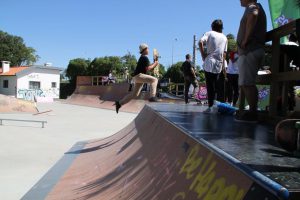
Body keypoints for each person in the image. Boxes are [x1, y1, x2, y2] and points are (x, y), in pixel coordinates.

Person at [236, 0, 266, 122]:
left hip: (249, 50)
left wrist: (245, 39)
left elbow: (253, 14)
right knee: (246, 82)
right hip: (251, 50)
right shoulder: (255, 6)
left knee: (247, 83)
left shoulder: (252, 6)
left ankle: (253, 112)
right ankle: (252, 111)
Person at [115, 43, 159, 113]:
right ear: (144, 50)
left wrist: (154, 64)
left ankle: (119, 103)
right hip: (139, 76)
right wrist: (155, 64)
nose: (149, 50)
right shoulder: (145, 58)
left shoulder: (142, 57)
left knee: (135, 94)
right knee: (155, 80)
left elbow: (147, 68)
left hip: (137, 77)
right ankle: (152, 97)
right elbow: (148, 68)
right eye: (148, 49)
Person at [199, 19, 228, 113]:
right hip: (219, 63)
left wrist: (203, 55)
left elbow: (200, 42)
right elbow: (224, 54)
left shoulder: (209, 33)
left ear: (212, 26)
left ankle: (211, 106)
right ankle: (218, 106)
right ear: (221, 28)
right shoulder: (225, 37)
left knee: (210, 85)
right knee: (217, 86)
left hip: (209, 61)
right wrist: (224, 68)